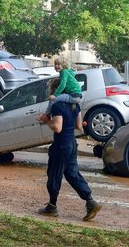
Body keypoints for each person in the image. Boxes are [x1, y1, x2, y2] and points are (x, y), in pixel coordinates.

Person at [36, 59, 102, 221]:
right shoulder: (75, 106)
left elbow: (57, 127)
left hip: (61, 145)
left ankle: (52, 207)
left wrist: (46, 121)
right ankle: (90, 202)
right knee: (72, 174)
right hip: (72, 143)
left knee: (54, 174)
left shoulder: (58, 105)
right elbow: (79, 126)